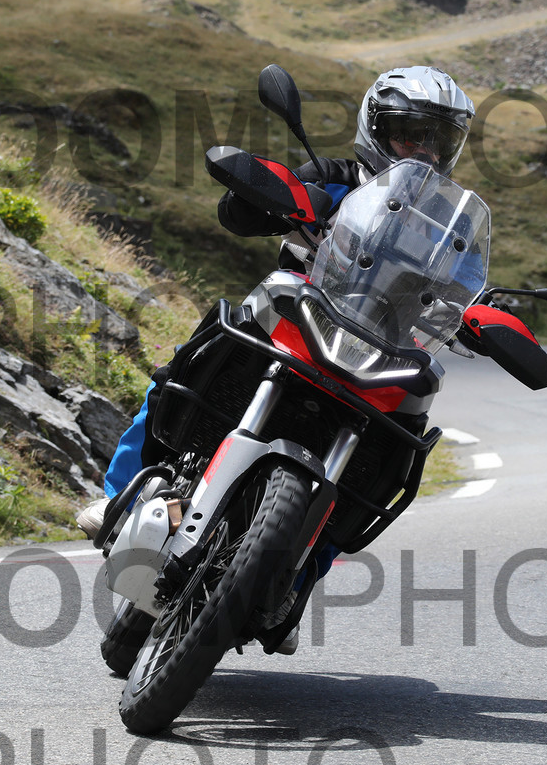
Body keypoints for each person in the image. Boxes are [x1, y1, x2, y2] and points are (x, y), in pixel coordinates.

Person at [77, 65, 477, 538]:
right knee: (188, 366)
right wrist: (266, 199)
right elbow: (239, 212)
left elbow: (468, 285)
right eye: (409, 134)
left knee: (402, 437)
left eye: (439, 141)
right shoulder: (334, 178)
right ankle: (121, 495)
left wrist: (483, 318)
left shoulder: (452, 227)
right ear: (376, 128)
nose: (425, 151)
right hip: (293, 318)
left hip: (381, 352)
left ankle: (309, 557)